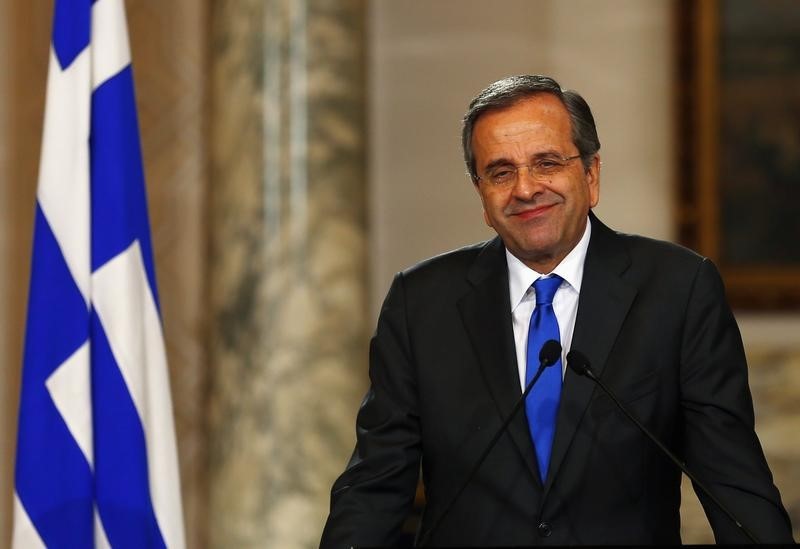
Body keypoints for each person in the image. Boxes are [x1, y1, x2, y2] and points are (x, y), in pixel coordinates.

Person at [320, 75, 794, 546]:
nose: (525, 189)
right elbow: (374, 488)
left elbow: (734, 487)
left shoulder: (678, 290)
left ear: (590, 176)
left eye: (546, 163)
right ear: (482, 195)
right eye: (501, 172)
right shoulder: (420, 302)